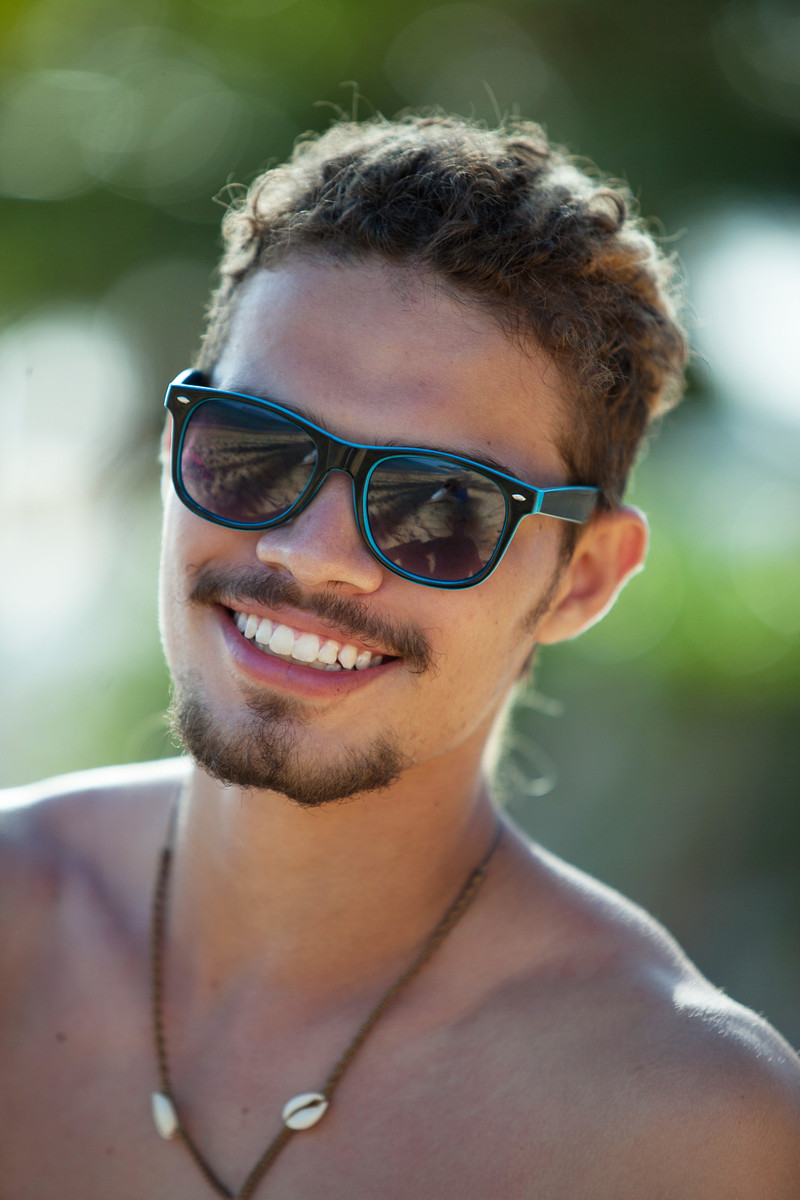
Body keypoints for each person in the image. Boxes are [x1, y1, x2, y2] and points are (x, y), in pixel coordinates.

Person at [1, 113, 799, 1200]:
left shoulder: (679, 1125)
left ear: (583, 578)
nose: (311, 556)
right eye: (255, 447)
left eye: (441, 505)